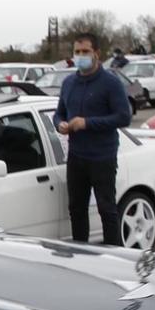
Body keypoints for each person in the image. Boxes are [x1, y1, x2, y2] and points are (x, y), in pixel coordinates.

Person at [53, 31, 133, 246]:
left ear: (96, 53)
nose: (81, 56)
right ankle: (81, 255)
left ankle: (115, 256)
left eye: (85, 51)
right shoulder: (69, 83)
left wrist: (88, 123)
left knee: (106, 208)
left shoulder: (110, 83)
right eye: (77, 52)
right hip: (76, 156)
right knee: (76, 208)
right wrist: (60, 124)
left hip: (102, 156)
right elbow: (59, 113)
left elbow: (124, 117)